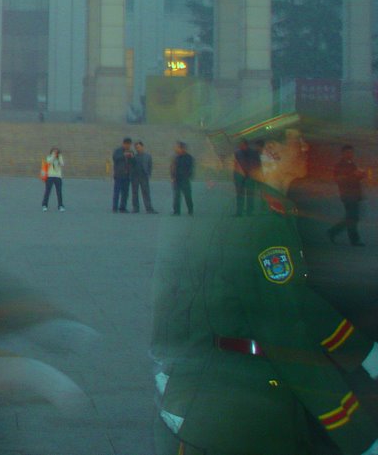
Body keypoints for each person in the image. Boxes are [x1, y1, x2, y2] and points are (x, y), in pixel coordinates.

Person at [152, 116, 378, 455]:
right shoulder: (263, 223)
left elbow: (296, 300)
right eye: (296, 141)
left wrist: (364, 352)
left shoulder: (262, 209)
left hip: (231, 395)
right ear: (271, 151)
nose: (305, 148)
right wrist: (358, 434)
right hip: (243, 409)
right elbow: (285, 334)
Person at [328, 144, 367, 247]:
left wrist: (360, 176)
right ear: (343, 153)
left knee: (352, 218)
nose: (350, 154)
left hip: (353, 195)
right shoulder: (340, 165)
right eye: (348, 152)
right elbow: (340, 180)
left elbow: (353, 179)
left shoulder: (352, 164)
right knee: (352, 218)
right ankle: (354, 239)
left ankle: (333, 231)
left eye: (351, 152)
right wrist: (354, 175)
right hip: (348, 195)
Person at [233, 139, 259, 217]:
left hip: (250, 176)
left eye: (242, 145)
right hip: (240, 176)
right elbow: (236, 164)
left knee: (250, 194)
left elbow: (257, 164)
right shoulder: (237, 153)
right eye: (240, 145)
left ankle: (249, 211)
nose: (240, 146)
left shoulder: (253, 153)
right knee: (240, 194)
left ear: (246, 145)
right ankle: (239, 211)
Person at [131, 141, 157, 213]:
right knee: (135, 193)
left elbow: (150, 165)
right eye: (136, 148)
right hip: (135, 176)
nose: (137, 149)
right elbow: (131, 166)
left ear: (142, 147)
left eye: (138, 147)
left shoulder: (148, 156)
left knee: (146, 192)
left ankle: (149, 208)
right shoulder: (134, 157)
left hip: (144, 176)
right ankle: (135, 208)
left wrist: (149, 174)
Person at [170, 142, 194, 216]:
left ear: (182, 148)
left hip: (185, 180)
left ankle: (190, 210)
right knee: (176, 196)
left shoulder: (189, 158)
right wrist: (172, 177)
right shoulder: (176, 157)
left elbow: (190, 169)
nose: (176, 149)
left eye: (178, 148)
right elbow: (172, 167)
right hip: (177, 180)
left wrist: (187, 176)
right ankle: (176, 211)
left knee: (187, 196)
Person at [111, 137, 134, 212]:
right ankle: (115, 207)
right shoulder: (118, 151)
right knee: (117, 192)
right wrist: (123, 155)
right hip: (119, 175)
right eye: (127, 144)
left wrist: (132, 157)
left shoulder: (131, 152)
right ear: (123, 144)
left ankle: (123, 207)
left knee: (125, 193)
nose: (128, 146)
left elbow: (133, 162)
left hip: (127, 175)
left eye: (129, 145)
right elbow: (115, 158)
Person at [41, 147, 65, 211]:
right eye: (54, 152)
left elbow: (62, 164)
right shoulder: (49, 157)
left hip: (58, 177)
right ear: (51, 152)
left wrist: (59, 157)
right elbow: (49, 162)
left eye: (56, 152)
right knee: (47, 191)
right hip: (50, 176)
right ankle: (44, 205)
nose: (55, 153)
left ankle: (60, 206)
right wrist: (53, 156)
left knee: (59, 192)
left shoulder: (60, 157)